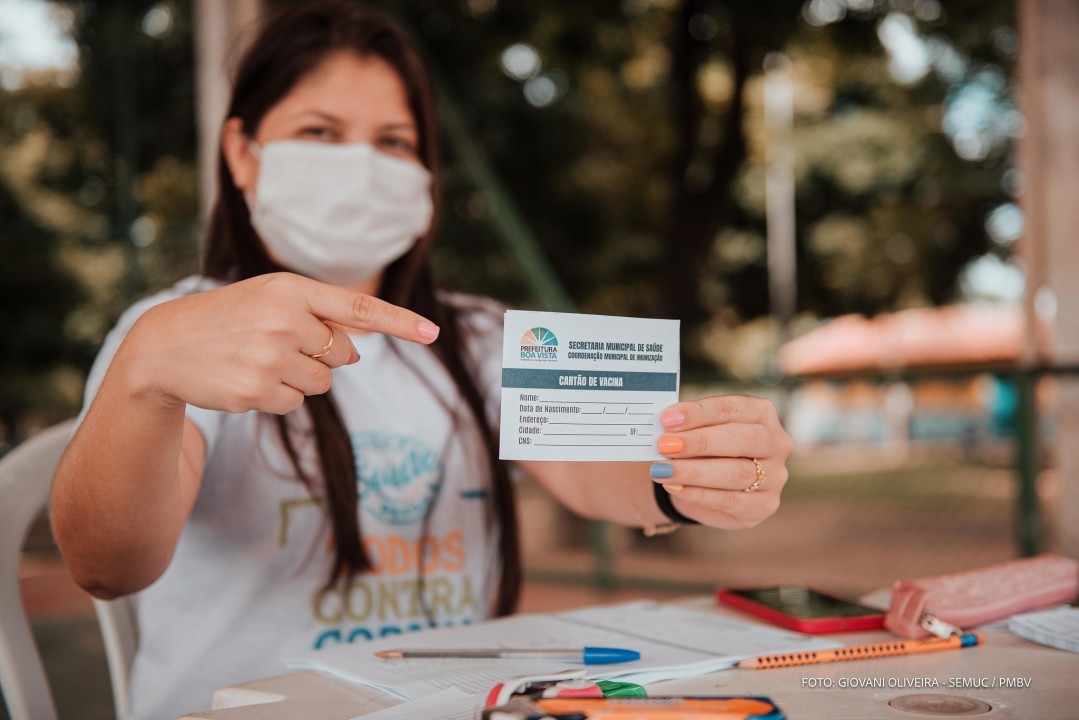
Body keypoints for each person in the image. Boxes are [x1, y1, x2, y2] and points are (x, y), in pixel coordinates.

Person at [49, 2, 793, 718]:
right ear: (243, 154)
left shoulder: (482, 339)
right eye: (318, 130)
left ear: (426, 177)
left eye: (394, 143)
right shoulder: (180, 338)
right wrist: (142, 378)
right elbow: (107, 564)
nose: (360, 167)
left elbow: (604, 469)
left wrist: (688, 473)